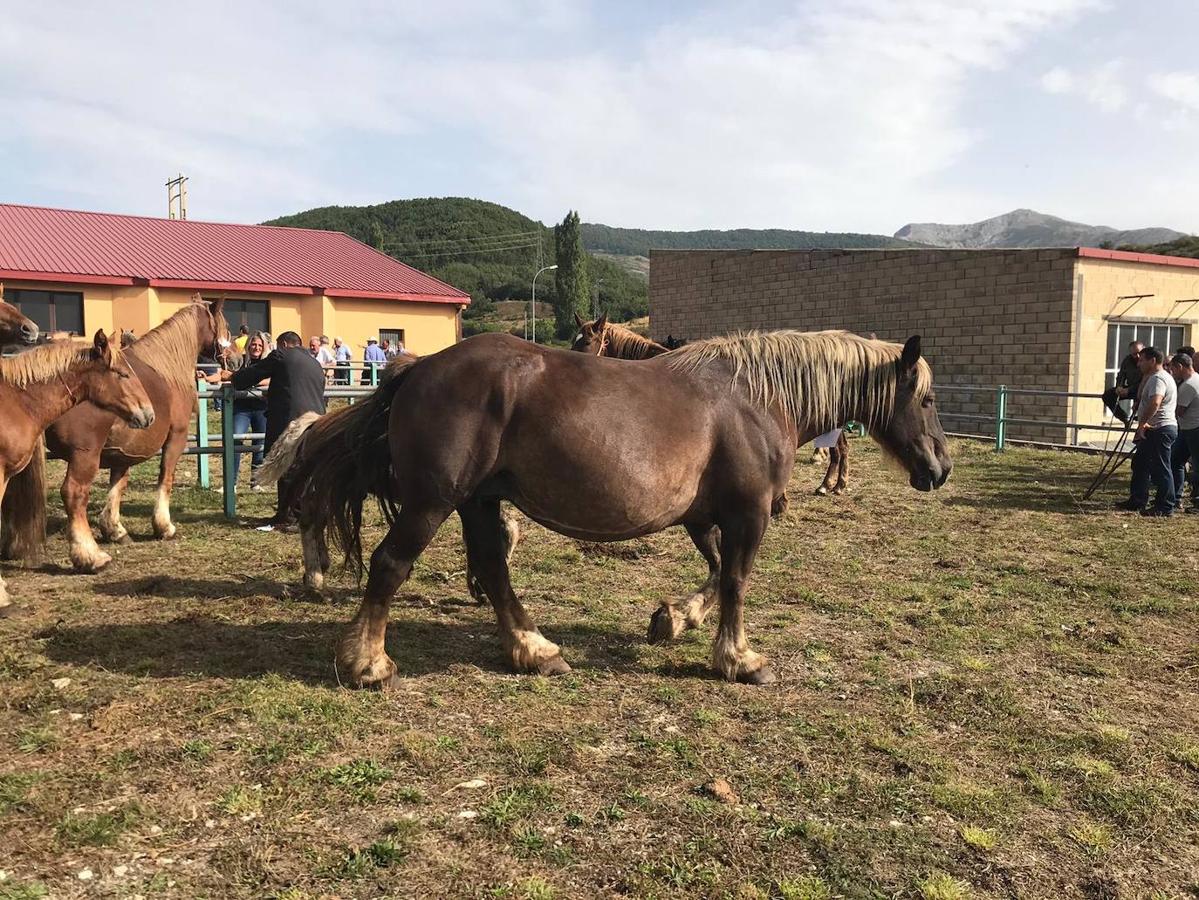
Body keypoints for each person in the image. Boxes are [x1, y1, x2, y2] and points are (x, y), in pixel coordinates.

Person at [224, 331, 327, 527]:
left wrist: (232, 377)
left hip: (290, 420)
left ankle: (290, 516)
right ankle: (293, 513)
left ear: (283, 344)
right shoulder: (314, 363)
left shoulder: (281, 355)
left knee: (288, 467)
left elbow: (251, 375)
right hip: (315, 420)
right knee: (305, 469)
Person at [1118, 346, 1177, 516]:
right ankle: (1137, 500)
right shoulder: (1152, 377)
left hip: (1159, 429)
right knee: (1140, 463)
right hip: (1153, 429)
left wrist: (1142, 423)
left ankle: (1165, 507)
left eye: (1142, 360)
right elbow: (1145, 397)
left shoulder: (1159, 379)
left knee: (1161, 468)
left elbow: (1155, 402)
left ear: (1152, 361)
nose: (1139, 364)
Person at [1170, 352, 1199, 513]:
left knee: (1195, 465)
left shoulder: (1188, 385)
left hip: (1194, 429)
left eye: (1173, 368)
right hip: (1188, 429)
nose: (1172, 372)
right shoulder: (1195, 380)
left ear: (1180, 366)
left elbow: (1179, 411)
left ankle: (1194, 501)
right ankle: (1175, 496)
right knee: (1176, 460)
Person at [1103, 340, 1144, 424]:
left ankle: (1140, 419)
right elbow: (1121, 375)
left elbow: (1145, 380)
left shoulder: (1147, 361)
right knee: (1108, 395)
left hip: (1143, 390)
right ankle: (1124, 418)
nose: (1137, 356)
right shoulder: (1127, 360)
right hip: (1130, 388)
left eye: (1139, 353)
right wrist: (1119, 387)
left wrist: (1129, 389)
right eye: (1134, 354)